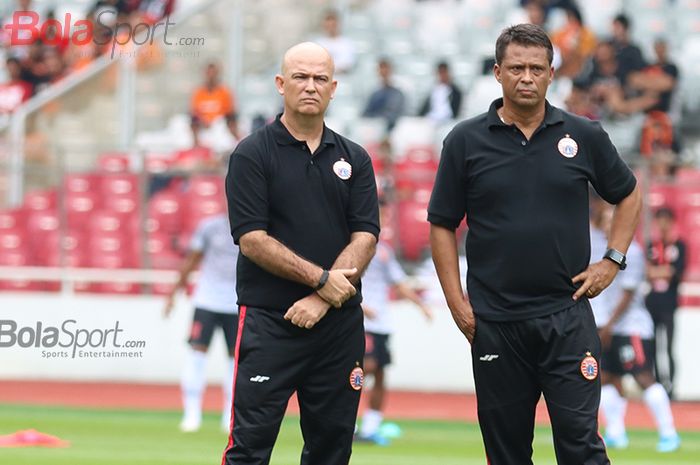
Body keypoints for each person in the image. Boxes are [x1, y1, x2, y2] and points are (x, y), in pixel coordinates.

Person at [428, 24, 642, 465]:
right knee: (506, 455)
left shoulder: (584, 135)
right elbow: (441, 224)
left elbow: (628, 193)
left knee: (582, 448)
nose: (526, 77)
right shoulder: (465, 141)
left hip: (567, 317)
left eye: (536, 69)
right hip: (495, 323)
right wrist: (456, 303)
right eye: (516, 68)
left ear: (551, 75)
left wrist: (612, 259)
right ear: (497, 73)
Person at [222, 42, 380, 465]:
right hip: (271, 322)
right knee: (249, 450)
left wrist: (322, 298)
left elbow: (366, 236)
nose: (310, 86)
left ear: (333, 87)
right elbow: (252, 239)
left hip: (338, 326)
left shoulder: (355, 158)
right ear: (280, 84)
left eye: (319, 79)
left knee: (332, 451)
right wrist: (321, 281)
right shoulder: (252, 154)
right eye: (300, 77)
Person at [592, 204, 680, 452]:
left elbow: (628, 295)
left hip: (632, 328)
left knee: (643, 377)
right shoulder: (597, 249)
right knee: (607, 379)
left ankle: (669, 433)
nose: (610, 224)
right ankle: (616, 433)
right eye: (606, 220)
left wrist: (607, 326)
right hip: (607, 327)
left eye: (614, 219)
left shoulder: (634, 251)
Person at [355, 200, 432, 445]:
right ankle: (340, 419)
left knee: (378, 373)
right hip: (363, 322)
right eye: (381, 215)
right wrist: (359, 305)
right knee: (361, 370)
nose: (384, 220)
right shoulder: (354, 246)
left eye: (386, 216)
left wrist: (421, 306)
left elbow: (398, 283)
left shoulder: (384, 251)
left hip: (382, 324)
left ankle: (370, 427)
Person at [163, 213, 239, 433]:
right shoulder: (210, 227)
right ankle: (191, 414)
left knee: (235, 362)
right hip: (207, 300)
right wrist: (173, 293)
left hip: (236, 303)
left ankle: (229, 416)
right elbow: (192, 259)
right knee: (197, 355)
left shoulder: (252, 227)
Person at [646, 207, 686, 398]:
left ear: (671, 222)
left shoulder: (679, 246)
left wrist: (658, 271)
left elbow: (675, 272)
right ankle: (658, 385)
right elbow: (647, 273)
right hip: (652, 303)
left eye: (665, 220)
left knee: (668, 346)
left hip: (669, 303)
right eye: (659, 220)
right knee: (652, 346)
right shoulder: (651, 245)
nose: (662, 224)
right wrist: (664, 271)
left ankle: (671, 387)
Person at [362, 58, 406, 131]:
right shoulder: (375, 92)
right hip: (375, 125)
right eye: (381, 69)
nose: (383, 72)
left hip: (393, 126)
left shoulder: (398, 92)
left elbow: (393, 112)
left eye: (385, 69)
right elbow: (366, 112)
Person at [314, 9, 356, 74]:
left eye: (333, 24)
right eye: (328, 24)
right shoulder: (318, 43)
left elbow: (347, 65)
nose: (331, 26)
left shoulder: (347, 43)